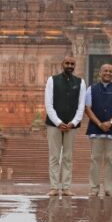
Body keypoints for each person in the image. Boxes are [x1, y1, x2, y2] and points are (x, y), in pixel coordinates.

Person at [44, 56, 86, 197]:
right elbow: (48, 104)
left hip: (71, 125)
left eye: (72, 64)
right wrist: (58, 122)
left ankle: (66, 187)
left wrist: (73, 122)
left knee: (68, 157)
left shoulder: (80, 82)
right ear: (62, 64)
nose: (69, 65)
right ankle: (54, 187)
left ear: (75, 66)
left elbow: (81, 105)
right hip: (54, 125)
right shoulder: (52, 80)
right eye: (67, 63)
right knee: (54, 157)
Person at [84, 64, 112, 197]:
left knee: (111, 159)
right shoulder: (91, 89)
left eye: (110, 71)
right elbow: (87, 108)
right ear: (100, 73)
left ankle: (110, 188)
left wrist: (110, 122)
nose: (108, 73)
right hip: (95, 129)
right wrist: (99, 123)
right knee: (95, 159)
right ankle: (94, 188)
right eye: (105, 71)